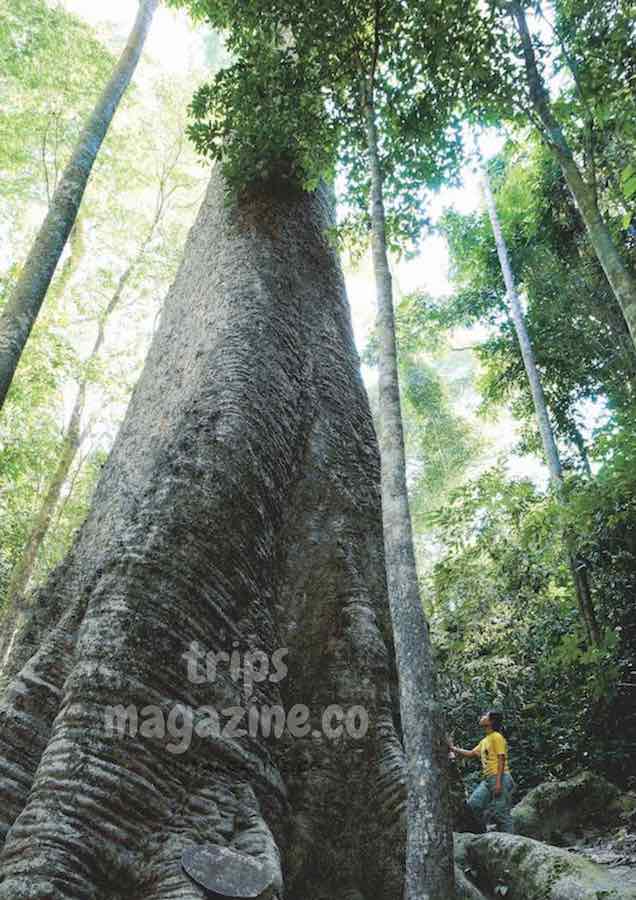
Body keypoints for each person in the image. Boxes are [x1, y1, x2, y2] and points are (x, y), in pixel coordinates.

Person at [449, 710, 515, 834]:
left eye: (485, 716)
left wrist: (498, 783)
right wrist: (452, 748)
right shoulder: (485, 740)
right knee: (473, 805)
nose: (482, 717)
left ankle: (511, 842)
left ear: (491, 721)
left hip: (500, 777)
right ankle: (482, 834)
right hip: (487, 780)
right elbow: (471, 753)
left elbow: (501, 758)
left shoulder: (497, 736)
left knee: (501, 812)